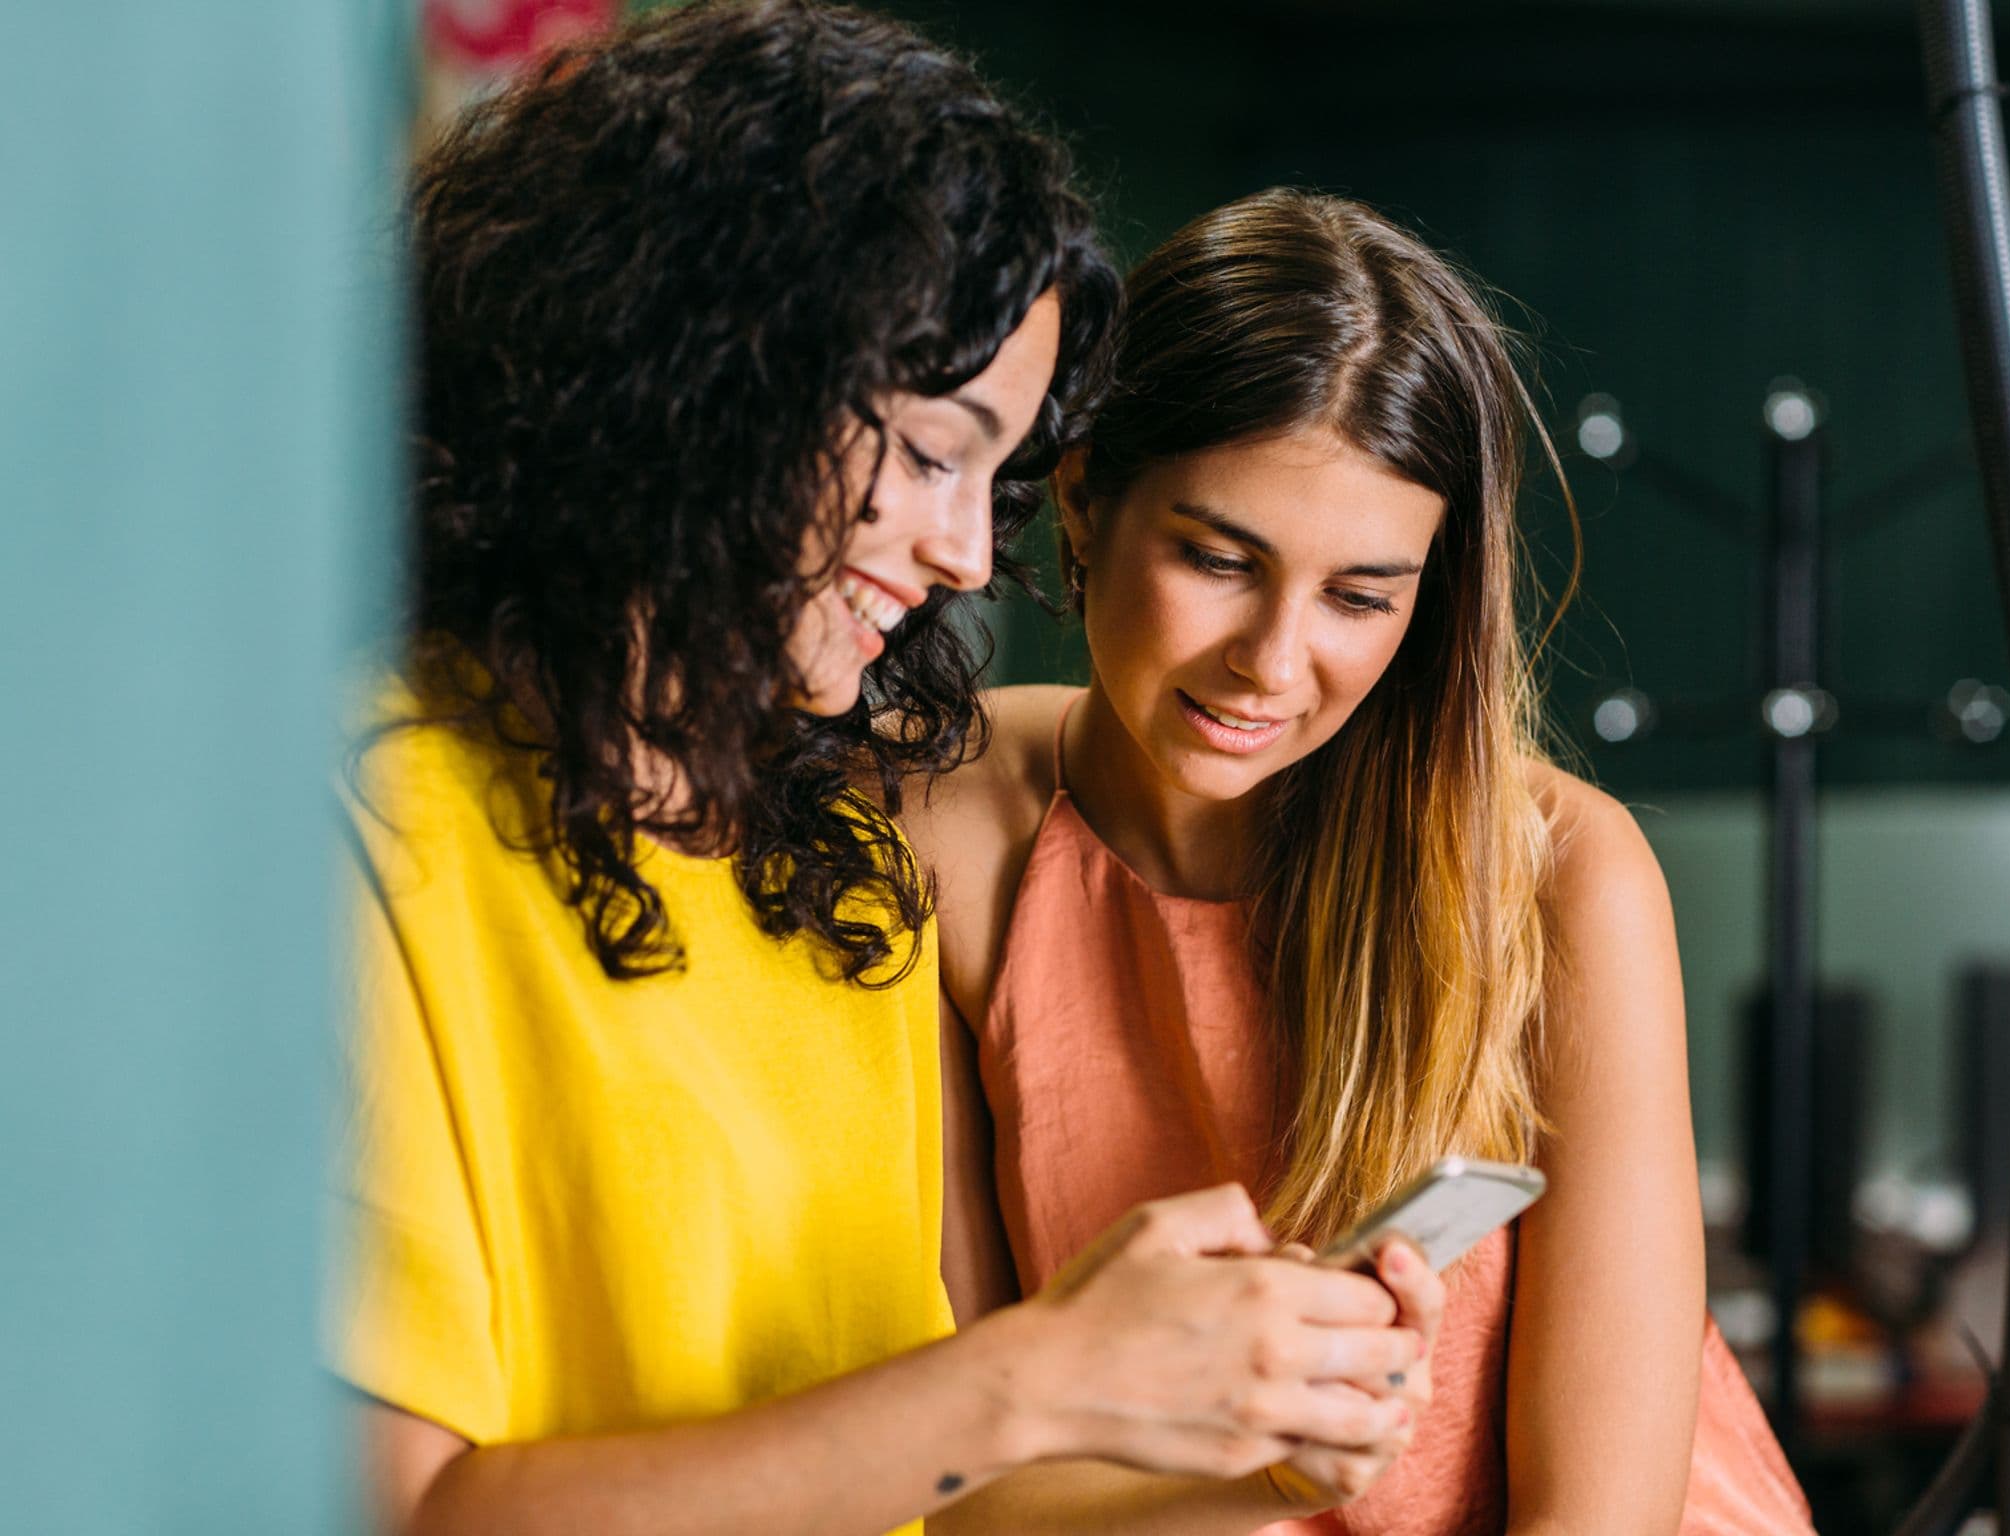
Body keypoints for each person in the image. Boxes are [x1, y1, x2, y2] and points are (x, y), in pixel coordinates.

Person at [332, 9, 1440, 1536]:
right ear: (693, 376)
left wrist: (1241, 1444)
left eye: (993, 474)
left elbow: (927, 1491)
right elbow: (400, 1513)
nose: (966, 553)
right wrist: (1038, 1377)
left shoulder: (830, 867)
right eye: (930, 452)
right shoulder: (364, 831)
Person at [899, 188, 1816, 1533]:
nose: (1272, 665)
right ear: (1084, 500)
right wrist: (1255, 1467)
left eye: (1359, 596)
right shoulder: (936, 830)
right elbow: (957, 1488)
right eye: (1220, 559)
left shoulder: (1561, 874)